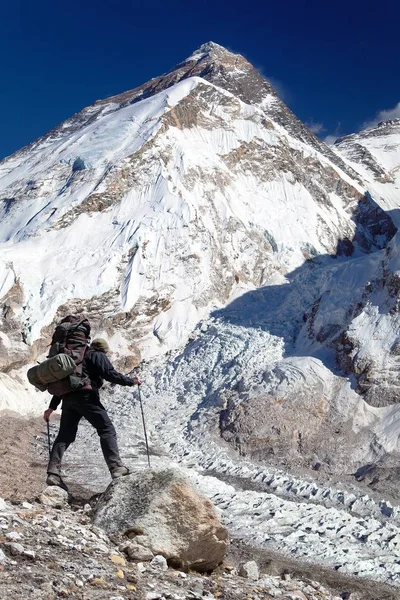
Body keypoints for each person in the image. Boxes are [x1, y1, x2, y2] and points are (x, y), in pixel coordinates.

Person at [44, 338, 140, 489]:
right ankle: (116, 468)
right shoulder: (97, 355)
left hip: (68, 400)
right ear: (103, 349)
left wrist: (51, 408)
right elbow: (109, 374)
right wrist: (131, 381)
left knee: (65, 435)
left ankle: (53, 473)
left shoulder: (75, 360)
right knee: (106, 429)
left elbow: (64, 384)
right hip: (87, 397)